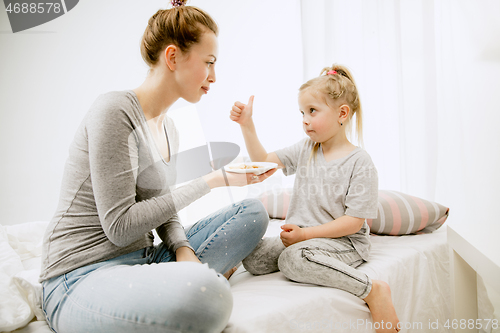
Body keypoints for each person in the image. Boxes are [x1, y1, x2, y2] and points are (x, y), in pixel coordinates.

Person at [39, 1, 276, 332]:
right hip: (80, 275)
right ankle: (193, 285)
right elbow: (120, 227)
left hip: (145, 260)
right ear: (173, 57)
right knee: (211, 298)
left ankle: (180, 281)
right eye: (208, 63)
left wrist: (182, 249)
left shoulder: (170, 128)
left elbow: (162, 208)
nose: (214, 77)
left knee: (252, 213)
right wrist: (212, 181)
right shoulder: (114, 111)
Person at [230, 64, 401, 333]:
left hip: (343, 242)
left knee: (292, 260)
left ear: (342, 113)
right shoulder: (306, 149)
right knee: (253, 257)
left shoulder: (360, 162)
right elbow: (264, 162)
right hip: (304, 237)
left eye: (312, 111)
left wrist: (305, 235)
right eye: (302, 112)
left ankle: (373, 290)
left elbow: (354, 222)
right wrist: (247, 125)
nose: (305, 119)